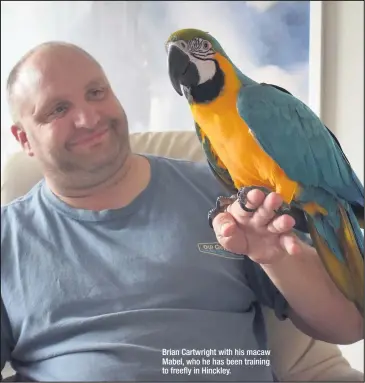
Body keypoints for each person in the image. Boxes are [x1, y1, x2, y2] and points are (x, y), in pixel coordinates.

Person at [1, 42, 362, 382]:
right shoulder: (8, 239)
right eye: (58, 109)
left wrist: (276, 258)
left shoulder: (229, 197)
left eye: (96, 93)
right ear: (23, 139)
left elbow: (348, 325)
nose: (88, 117)